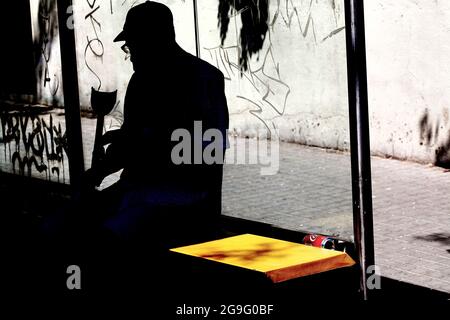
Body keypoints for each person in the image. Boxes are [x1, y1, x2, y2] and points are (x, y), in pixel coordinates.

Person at [83, 1, 229, 243]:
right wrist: (102, 168)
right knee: (69, 221)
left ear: (155, 40)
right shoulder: (140, 81)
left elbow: (208, 152)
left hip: (185, 199)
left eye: (134, 45)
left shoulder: (203, 79)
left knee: (108, 237)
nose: (130, 54)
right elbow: (132, 139)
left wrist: (139, 140)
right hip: (138, 191)